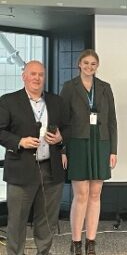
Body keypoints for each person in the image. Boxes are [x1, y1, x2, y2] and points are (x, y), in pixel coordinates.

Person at [0, 61, 65, 255]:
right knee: (17, 221)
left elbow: (68, 127)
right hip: (21, 170)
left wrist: (61, 138)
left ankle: (43, 252)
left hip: (50, 169)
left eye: (41, 75)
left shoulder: (56, 101)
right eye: (33, 74)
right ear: (24, 76)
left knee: (46, 220)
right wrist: (19, 141)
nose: (37, 78)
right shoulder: (8, 101)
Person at [60, 49, 117, 255]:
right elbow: (62, 121)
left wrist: (113, 150)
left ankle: (91, 242)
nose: (89, 67)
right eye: (86, 63)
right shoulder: (69, 87)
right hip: (77, 143)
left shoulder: (105, 88)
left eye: (93, 64)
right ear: (79, 64)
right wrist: (63, 149)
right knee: (81, 195)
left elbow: (112, 121)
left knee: (95, 194)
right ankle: (76, 242)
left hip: (100, 144)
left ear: (97, 66)